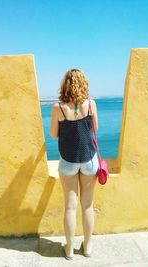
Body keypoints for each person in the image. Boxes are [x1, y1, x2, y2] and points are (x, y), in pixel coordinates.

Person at [50, 68, 99, 260]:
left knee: (70, 206)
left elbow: (54, 134)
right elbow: (94, 128)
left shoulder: (58, 108)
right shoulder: (91, 104)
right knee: (87, 205)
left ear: (65, 85)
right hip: (88, 159)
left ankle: (69, 249)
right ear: (83, 83)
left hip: (69, 161)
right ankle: (87, 247)